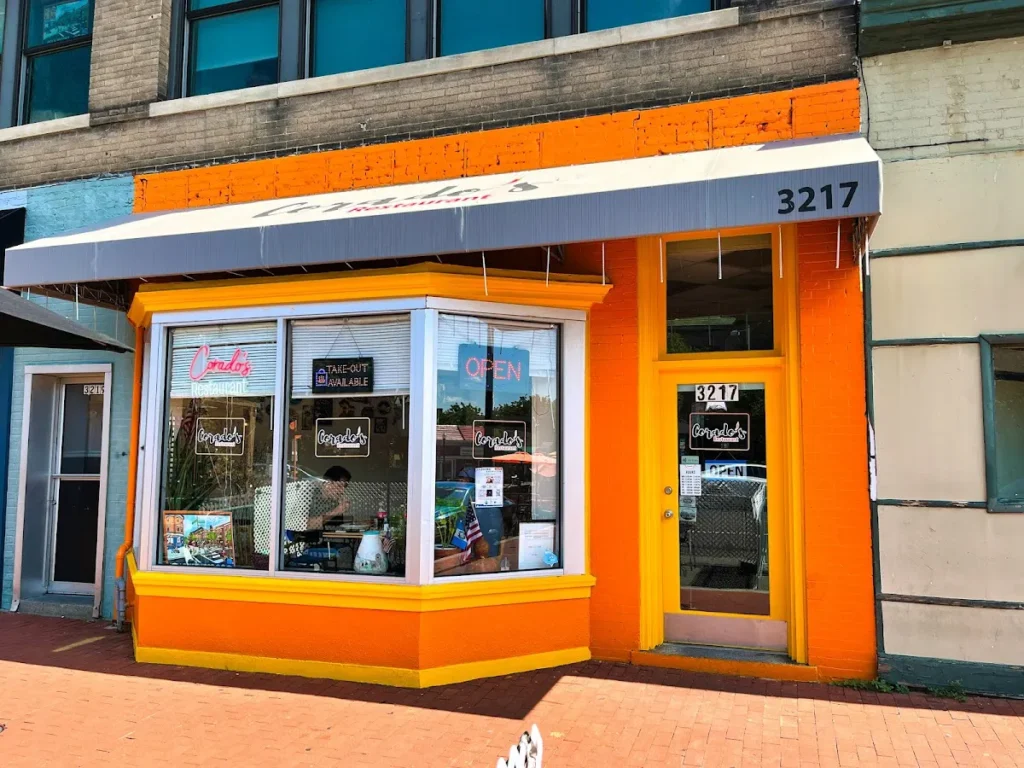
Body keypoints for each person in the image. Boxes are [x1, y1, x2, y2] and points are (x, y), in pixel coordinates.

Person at [319, 465, 352, 529]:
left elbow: (338, 529)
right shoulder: (310, 498)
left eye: (344, 487)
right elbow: (307, 525)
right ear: (327, 483)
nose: (342, 491)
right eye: (339, 486)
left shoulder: (334, 503)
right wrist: (336, 511)